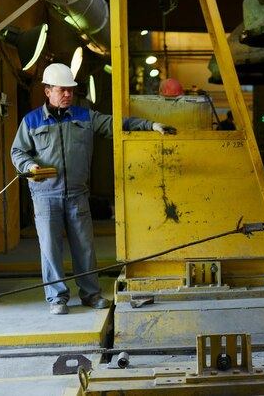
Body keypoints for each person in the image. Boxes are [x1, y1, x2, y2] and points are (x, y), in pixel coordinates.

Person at [10, 63, 177, 315]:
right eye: (62, 90)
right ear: (48, 91)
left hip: (77, 193)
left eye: (70, 90)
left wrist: (150, 125)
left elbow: (116, 124)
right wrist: (29, 165)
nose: (68, 94)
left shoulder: (84, 116)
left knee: (84, 246)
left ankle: (90, 294)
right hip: (45, 194)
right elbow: (17, 151)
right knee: (50, 248)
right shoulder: (31, 121)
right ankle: (57, 298)